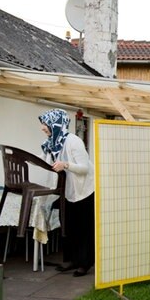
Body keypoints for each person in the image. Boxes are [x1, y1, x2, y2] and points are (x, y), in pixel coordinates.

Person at [38, 109, 95, 277]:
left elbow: (84, 169)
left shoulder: (73, 141)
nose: (42, 128)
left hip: (85, 190)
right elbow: (42, 159)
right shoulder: (53, 143)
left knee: (84, 228)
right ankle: (73, 260)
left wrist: (66, 165)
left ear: (56, 124)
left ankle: (85, 264)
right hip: (69, 190)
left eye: (45, 124)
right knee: (69, 226)